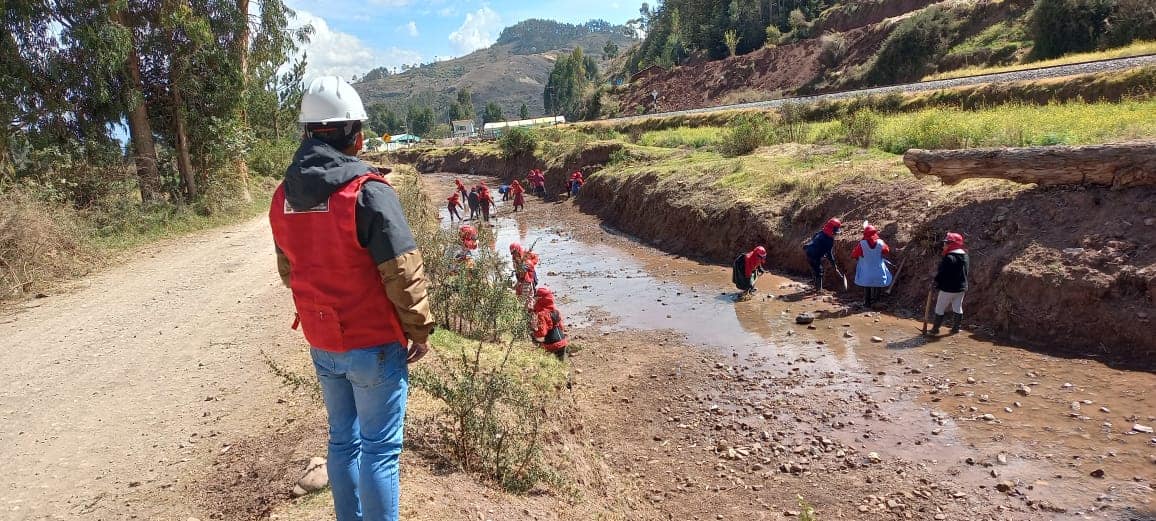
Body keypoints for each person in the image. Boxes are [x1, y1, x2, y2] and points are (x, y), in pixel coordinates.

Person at [268, 75, 435, 521]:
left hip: (323, 343)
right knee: (379, 451)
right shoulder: (369, 192)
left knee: (343, 442)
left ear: (307, 133)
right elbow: (403, 272)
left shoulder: (283, 197)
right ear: (355, 136)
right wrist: (419, 331)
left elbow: (289, 272)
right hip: (374, 342)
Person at [929, 232, 969, 335]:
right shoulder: (965, 256)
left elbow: (942, 274)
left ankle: (935, 330)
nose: (944, 245)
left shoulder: (949, 257)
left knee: (940, 308)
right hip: (961, 287)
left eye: (946, 243)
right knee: (957, 306)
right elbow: (966, 272)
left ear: (952, 244)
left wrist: (935, 283)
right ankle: (956, 328)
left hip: (948, 288)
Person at [852, 224, 892, 307]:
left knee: (867, 286)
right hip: (879, 272)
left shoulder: (861, 244)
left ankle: (867, 303)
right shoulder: (880, 243)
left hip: (867, 274)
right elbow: (886, 250)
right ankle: (876, 301)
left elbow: (854, 255)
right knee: (878, 284)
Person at [529, 286, 568, 361]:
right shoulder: (555, 310)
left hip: (551, 345)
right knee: (561, 363)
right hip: (562, 341)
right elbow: (561, 327)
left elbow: (542, 333)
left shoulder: (541, 314)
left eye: (537, 298)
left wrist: (534, 333)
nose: (535, 300)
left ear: (541, 299)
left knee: (550, 364)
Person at [804, 218, 842, 293]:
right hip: (814, 255)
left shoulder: (820, 233)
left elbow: (814, 241)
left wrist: (821, 252)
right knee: (819, 271)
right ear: (831, 230)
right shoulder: (829, 241)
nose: (835, 235)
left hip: (808, 252)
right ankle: (819, 290)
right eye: (834, 233)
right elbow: (829, 254)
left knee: (815, 269)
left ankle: (815, 285)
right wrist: (834, 266)